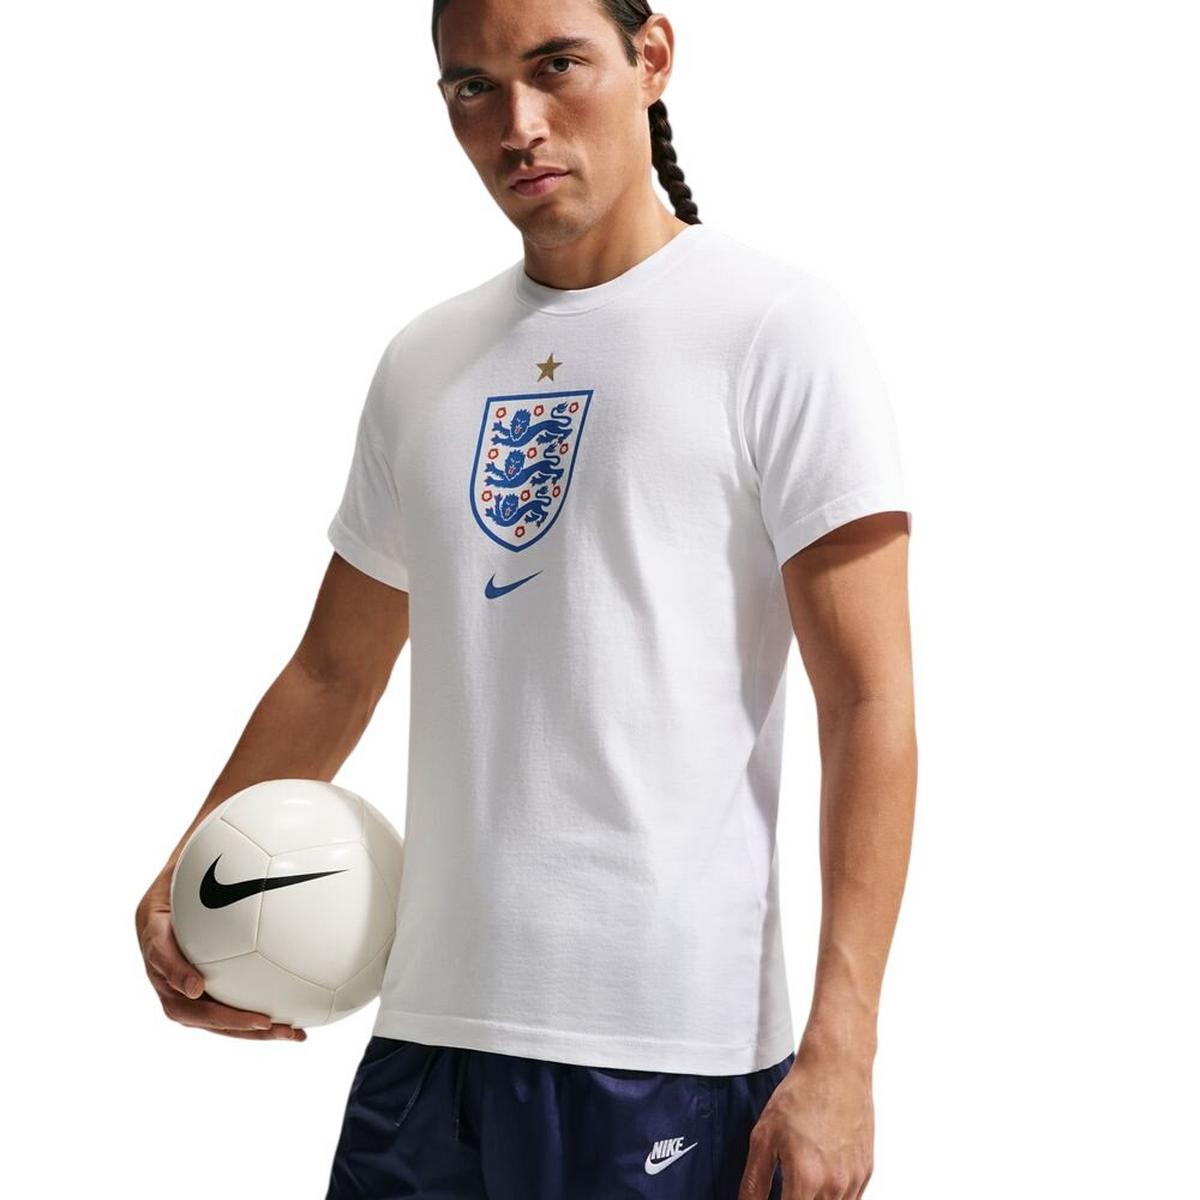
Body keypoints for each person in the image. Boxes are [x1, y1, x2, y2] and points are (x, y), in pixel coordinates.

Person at [135, 1, 917, 1196]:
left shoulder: (775, 330)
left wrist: (844, 1051)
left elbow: (868, 705)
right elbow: (334, 672)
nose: (519, 124)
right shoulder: (425, 361)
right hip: (428, 1034)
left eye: (557, 66)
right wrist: (192, 881)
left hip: (667, 1049)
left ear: (651, 57)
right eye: (473, 87)